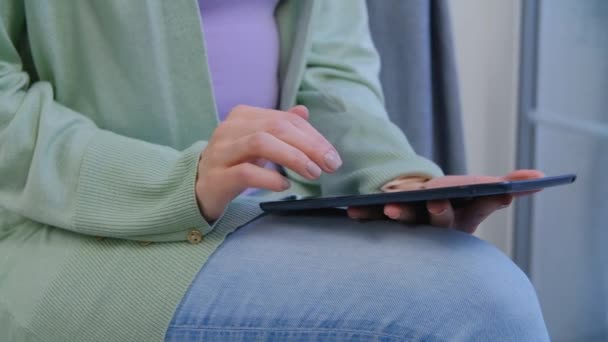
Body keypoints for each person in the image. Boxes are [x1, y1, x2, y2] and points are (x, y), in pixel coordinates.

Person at [0, 0, 550, 341]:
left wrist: (395, 181)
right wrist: (179, 184)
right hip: (65, 233)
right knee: (477, 305)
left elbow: (330, 69)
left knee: (465, 272)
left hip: (266, 211)